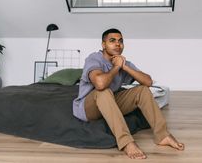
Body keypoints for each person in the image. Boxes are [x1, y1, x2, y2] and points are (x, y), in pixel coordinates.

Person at [73, 28, 184, 159]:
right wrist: (116, 68)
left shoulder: (123, 62)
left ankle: (163, 135)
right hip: (88, 108)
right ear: (103, 44)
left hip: (109, 102)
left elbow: (148, 82)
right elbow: (100, 84)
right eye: (112, 41)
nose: (117, 44)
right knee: (103, 91)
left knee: (142, 90)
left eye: (120, 41)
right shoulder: (94, 58)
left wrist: (124, 67)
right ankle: (127, 143)